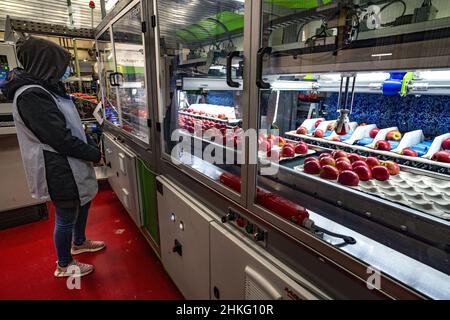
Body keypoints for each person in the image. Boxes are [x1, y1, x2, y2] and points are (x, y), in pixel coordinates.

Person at [2, 36, 105, 278]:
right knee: (66, 213)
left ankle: (79, 243)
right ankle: (64, 264)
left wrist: (89, 145)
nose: (66, 70)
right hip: (57, 165)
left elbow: (72, 125)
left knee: (84, 201)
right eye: (62, 64)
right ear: (47, 64)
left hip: (72, 160)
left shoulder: (48, 88)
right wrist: (93, 153)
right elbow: (59, 138)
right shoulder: (31, 95)